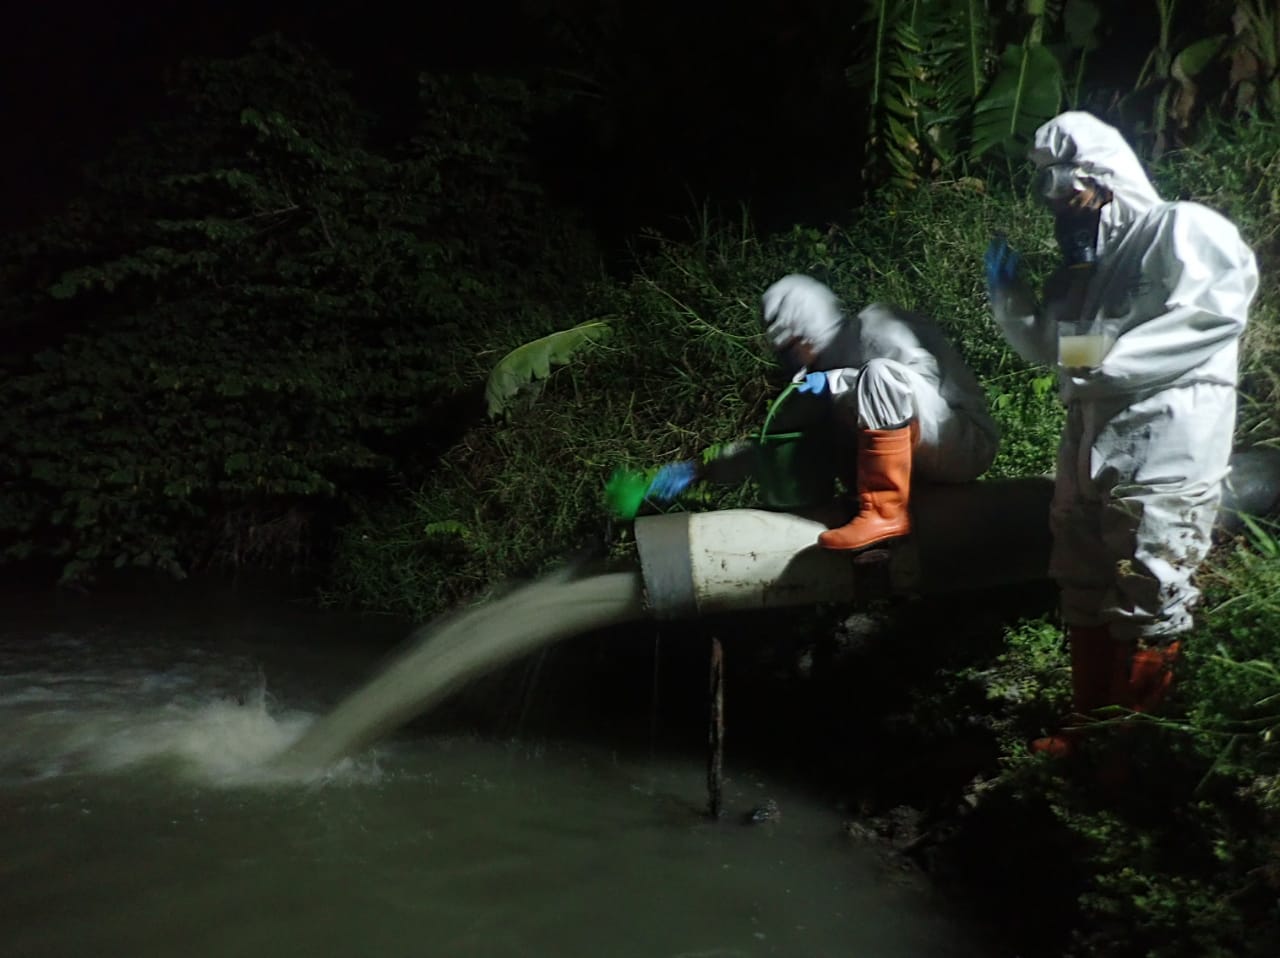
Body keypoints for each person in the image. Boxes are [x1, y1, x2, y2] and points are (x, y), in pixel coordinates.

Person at [984, 111, 1259, 755]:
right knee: (1081, 570)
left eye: (1070, 194)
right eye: (1053, 198)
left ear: (1104, 179)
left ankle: (1126, 755)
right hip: (1094, 433)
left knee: (1152, 577)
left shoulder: (1181, 228)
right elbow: (1057, 352)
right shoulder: (1095, 268)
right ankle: (1087, 730)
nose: (1064, 210)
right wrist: (1014, 297)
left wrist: (1098, 361)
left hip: (1169, 430)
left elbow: (1212, 315)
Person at [648, 273, 1000, 552]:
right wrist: (699, 471)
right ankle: (876, 506)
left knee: (880, 375)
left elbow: (917, 389)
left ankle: (884, 513)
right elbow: (780, 444)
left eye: (790, 345)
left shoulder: (877, 328)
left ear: (806, 331)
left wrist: (839, 382)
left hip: (963, 442)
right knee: (828, 422)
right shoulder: (815, 378)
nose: (789, 356)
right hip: (920, 469)